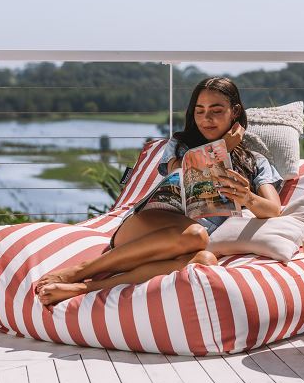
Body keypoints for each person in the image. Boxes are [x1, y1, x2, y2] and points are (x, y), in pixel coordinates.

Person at [36, 77, 283, 306]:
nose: (206, 118)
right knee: (197, 236)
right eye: (200, 111)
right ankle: (81, 270)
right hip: (145, 227)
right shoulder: (180, 145)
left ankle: (85, 288)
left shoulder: (255, 161)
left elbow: (274, 209)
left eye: (216, 111)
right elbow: (182, 168)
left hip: (186, 244)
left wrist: (246, 197)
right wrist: (222, 148)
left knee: (206, 260)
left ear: (235, 112)